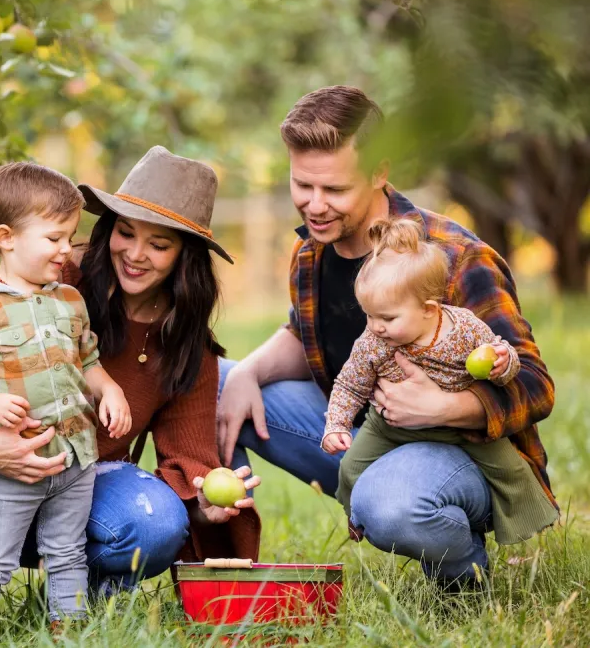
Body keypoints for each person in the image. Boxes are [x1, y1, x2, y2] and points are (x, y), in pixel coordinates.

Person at [0, 146, 260, 622]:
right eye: (125, 232)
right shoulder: (46, 278)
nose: (136, 253)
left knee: (157, 522)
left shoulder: (186, 344)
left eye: (160, 244)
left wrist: (202, 501)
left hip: (79, 492)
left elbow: (188, 458)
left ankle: (80, 606)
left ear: (185, 258)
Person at [217, 85, 555, 586]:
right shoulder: (312, 251)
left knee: (388, 504)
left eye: (334, 190)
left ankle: (463, 580)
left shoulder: (453, 257)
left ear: (379, 171)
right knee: (212, 381)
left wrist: (443, 408)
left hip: (461, 452)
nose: (314, 205)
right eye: (302, 185)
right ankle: (227, 571)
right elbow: (305, 331)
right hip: (365, 435)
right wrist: (246, 372)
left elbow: (535, 385)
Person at [0, 163, 132, 636]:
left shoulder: (69, 301)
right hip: (16, 463)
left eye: (70, 236)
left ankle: (70, 627)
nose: (66, 249)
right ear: (6, 237)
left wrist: (111, 390)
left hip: (75, 458)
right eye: (55, 237)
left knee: (68, 551)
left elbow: (89, 363)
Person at [321, 218, 558, 546]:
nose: (375, 327)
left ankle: (527, 530)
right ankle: (357, 517)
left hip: (458, 427)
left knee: (511, 470)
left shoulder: (463, 330)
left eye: (387, 318)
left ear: (428, 309)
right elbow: (350, 384)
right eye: (369, 315)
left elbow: (502, 358)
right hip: (390, 425)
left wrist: (502, 363)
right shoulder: (372, 342)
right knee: (349, 468)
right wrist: (337, 424)